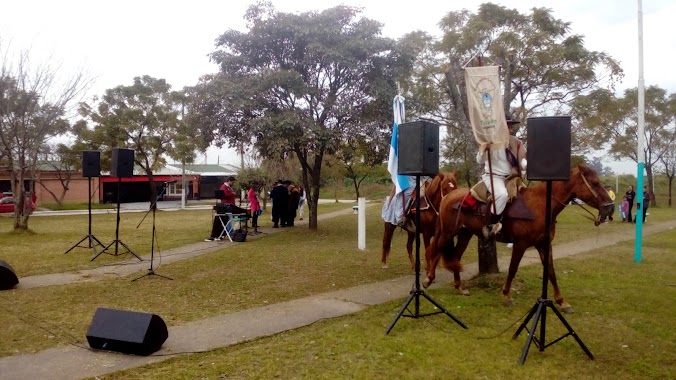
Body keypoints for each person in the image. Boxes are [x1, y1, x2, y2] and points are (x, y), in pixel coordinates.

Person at [475, 118, 526, 238]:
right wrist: (484, 149)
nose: (509, 129)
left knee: (526, 196)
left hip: (511, 177)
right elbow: (479, 161)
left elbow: (522, 159)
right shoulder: (489, 142)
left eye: (510, 127)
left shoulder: (516, 142)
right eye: (507, 127)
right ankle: (490, 226)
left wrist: (528, 165)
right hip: (493, 177)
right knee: (502, 195)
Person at [206, 176, 247, 241]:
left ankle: (223, 234)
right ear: (229, 181)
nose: (233, 183)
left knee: (226, 220)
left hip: (231, 205)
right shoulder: (224, 187)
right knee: (225, 220)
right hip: (226, 206)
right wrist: (232, 194)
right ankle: (228, 233)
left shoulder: (229, 187)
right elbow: (225, 195)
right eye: (232, 182)